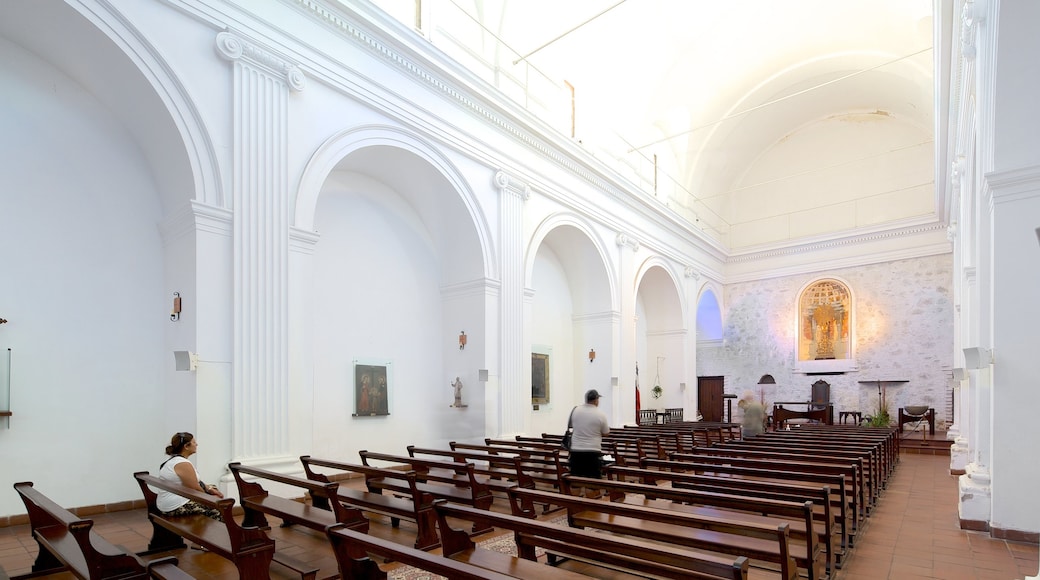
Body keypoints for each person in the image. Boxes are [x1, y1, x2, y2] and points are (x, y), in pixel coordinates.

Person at [156, 432, 224, 521]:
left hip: (170, 500)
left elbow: (196, 482)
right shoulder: (182, 464)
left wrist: (210, 489)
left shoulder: (176, 460)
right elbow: (195, 489)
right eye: (194, 442)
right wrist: (211, 500)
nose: (197, 444)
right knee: (218, 509)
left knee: (213, 488)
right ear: (186, 446)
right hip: (174, 506)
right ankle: (217, 533)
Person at [567, 389, 611, 481]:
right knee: (593, 483)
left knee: (575, 481)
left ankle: (574, 495)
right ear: (595, 400)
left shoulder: (575, 410)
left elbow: (571, 425)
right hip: (592, 452)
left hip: (576, 451)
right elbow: (606, 433)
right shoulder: (600, 414)